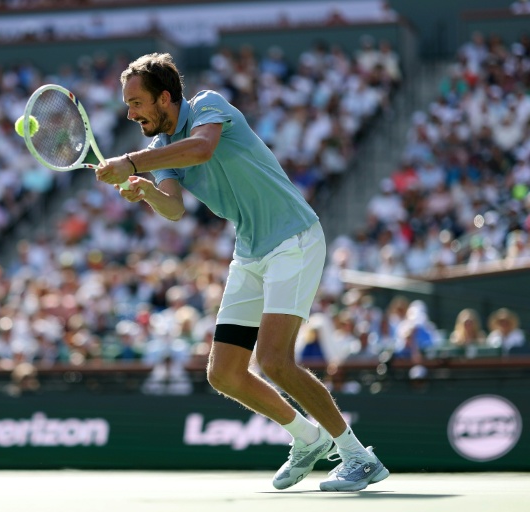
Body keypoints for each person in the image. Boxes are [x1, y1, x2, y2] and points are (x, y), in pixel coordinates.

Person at [95, 53, 388, 492]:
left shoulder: (208, 105)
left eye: (136, 103)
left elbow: (203, 148)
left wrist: (132, 164)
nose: (130, 113)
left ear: (165, 98)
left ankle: (357, 456)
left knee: (273, 359)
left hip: (295, 237)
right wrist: (147, 193)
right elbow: (174, 208)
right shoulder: (160, 152)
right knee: (224, 373)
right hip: (251, 250)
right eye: (127, 105)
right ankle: (308, 438)